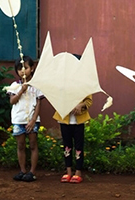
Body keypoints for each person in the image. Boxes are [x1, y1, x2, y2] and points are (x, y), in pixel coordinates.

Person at [54, 54, 92, 184]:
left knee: (79, 145)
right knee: (67, 145)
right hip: (64, 118)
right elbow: (56, 98)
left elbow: (89, 101)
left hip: (78, 120)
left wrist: (81, 105)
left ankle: (78, 172)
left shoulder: (84, 82)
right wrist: (67, 105)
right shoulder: (61, 82)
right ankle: (68, 171)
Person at [6, 56, 44, 182]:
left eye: (26, 68)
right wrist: (21, 91)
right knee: (20, 145)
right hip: (18, 120)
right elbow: (12, 101)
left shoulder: (36, 86)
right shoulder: (14, 85)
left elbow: (39, 103)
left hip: (31, 121)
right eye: (19, 69)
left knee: (33, 144)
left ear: (32, 69)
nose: (23, 71)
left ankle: (32, 172)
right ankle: (22, 170)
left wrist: (33, 120)